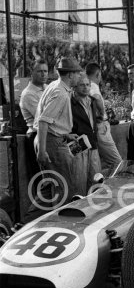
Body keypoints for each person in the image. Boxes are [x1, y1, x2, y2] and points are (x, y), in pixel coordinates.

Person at [34, 57, 81, 207]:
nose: (79, 76)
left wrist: (65, 134)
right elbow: (43, 120)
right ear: (70, 75)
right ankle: (63, 224)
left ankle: (29, 221)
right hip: (51, 142)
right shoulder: (60, 93)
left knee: (50, 187)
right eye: (77, 73)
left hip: (48, 138)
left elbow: (50, 120)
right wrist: (42, 151)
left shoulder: (55, 85)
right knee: (63, 187)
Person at [86, 62, 122, 170]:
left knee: (99, 165)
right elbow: (96, 97)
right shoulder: (92, 85)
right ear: (98, 74)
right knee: (117, 163)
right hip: (100, 127)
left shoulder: (85, 85)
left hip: (93, 128)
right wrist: (102, 113)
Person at [70, 73, 101, 195]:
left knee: (96, 180)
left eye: (88, 85)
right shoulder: (69, 102)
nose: (86, 87)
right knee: (79, 183)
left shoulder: (92, 101)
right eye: (82, 85)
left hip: (92, 145)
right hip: (77, 146)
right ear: (75, 87)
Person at [20, 59, 48, 175]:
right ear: (32, 73)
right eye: (39, 71)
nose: (43, 74)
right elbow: (43, 117)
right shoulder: (28, 94)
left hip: (49, 134)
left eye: (45, 71)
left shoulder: (48, 88)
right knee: (42, 177)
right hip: (36, 134)